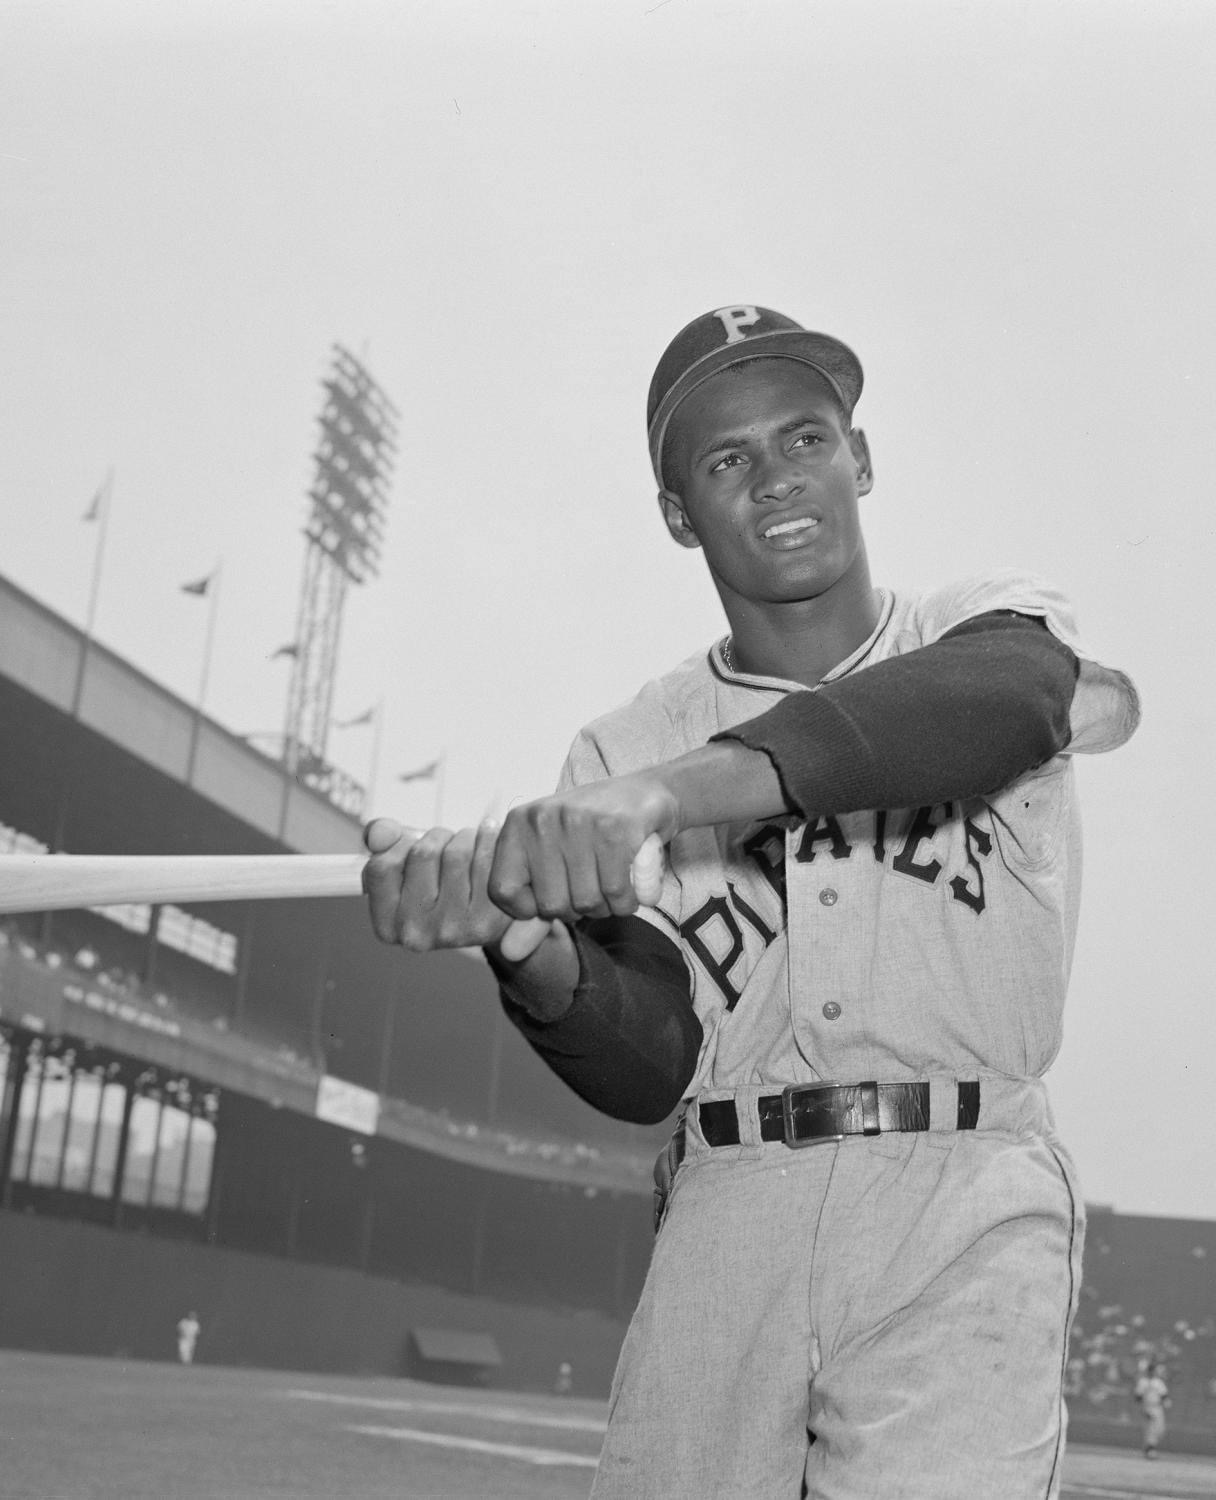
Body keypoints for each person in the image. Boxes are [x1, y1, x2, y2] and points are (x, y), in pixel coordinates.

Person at [361, 305, 1140, 1499]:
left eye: (805, 439)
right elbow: (649, 1057)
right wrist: (521, 943)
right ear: (680, 515)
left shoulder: (973, 627)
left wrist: (664, 800)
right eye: (726, 461)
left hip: (957, 1195)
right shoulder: (623, 743)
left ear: (860, 458)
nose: (776, 477)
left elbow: (1003, 702)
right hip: (728, 1213)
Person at [1134, 1361, 1170, 1459]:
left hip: (1158, 1407)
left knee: (1160, 1429)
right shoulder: (1143, 1382)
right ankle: (1150, 1450)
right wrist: (1142, 1408)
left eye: (1153, 1371)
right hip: (1147, 1406)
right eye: (1151, 1370)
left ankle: (1150, 1448)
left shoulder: (1158, 1382)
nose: (1152, 1372)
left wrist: (1166, 1401)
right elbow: (1138, 1396)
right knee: (1150, 1429)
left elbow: (1164, 1395)